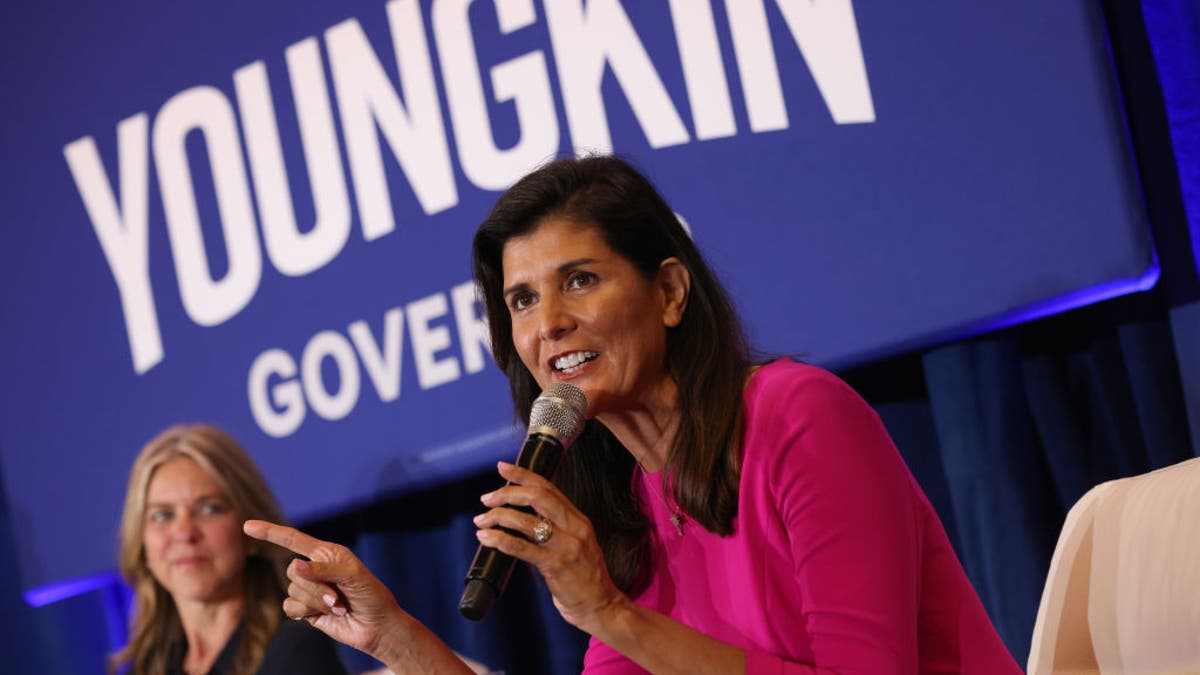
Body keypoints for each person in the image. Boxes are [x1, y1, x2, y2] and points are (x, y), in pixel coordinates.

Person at [245, 155, 1023, 673]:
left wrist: (611, 613)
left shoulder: (801, 416)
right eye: (521, 299)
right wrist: (392, 636)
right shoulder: (622, 508)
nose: (546, 322)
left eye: (579, 280)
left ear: (671, 292)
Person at [113, 423, 349, 675]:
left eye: (209, 509)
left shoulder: (296, 650)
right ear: (141, 541)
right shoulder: (144, 668)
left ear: (251, 531)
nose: (184, 533)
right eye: (163, 515)